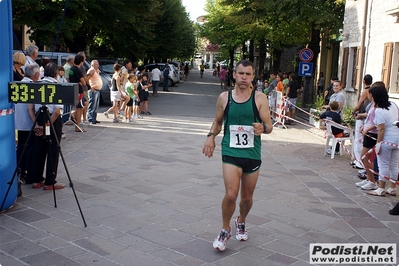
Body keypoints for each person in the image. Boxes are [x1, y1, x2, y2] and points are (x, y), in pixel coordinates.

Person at [202, 60, 273, 251]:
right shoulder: (224, 98)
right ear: (234, 74)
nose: (244, 78)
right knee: (231, 194)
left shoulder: (259, 99)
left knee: (247, 198)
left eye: (248, 74)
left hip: (252, 153)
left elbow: (269, 126)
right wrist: (211, 137)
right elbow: (218, 122)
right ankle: (225, 229)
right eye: (241, 73)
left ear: (253, 76)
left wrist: (263, 128)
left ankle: (241, 220)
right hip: (231, 151)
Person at [27, 62, 65, 190]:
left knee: (39, 149)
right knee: (53, 149)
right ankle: (50, 181)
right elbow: (57, 111)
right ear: (56, 74)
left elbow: (30, 107)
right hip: (51, 120)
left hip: (39, 117)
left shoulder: (37, 85)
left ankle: (36, 180)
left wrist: (37, 125)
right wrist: (47, 126)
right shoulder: (56, 86)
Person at [367, 85, 399, 196]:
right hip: (397, 139)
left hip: (386, 140)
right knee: (394, 165)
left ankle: (381, 188)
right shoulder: (394, 105)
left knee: (383, 164)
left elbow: (381, 128)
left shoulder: (379, 111)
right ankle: (392, 188)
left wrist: (378, 143)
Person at [355, 85, 378, 190]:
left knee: (365, 157)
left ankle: (372, 180)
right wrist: (364, 127)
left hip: (372, 134)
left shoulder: (378, 107)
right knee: (366, 158)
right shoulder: (373, 105)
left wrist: (367, 129)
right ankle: (369, 179)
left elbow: (378, 123)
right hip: (368, 132)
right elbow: (370, 118)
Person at [351, 74, 373, 169]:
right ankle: (360, 160)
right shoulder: (372, 91)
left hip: (362, 116)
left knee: (358, 139)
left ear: (364, 81)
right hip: (368, 118)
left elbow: (359, 104)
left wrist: (353, 111)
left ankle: (358, 161)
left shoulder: (365, 91)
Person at [68, 54, 87, 131]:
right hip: (79, 91)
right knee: (79, 108)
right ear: (81, 62)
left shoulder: (71, 69)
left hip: (73, 89)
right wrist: (82, 81)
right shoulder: (78, 70)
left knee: (85, 104)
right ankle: (77, 126)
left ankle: (73, 115)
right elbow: (84, 82)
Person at [86, 60, 103, 125]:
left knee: (96, 106)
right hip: (94, 90)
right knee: (92, 105)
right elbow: (87, 79)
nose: (97, 65)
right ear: (92, 65)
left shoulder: (97, 71)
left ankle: (94, 118)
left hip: (97, 90)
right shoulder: (91, 71)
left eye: (97, 64)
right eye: (95, 64)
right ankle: (90, 119)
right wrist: (91, 87)